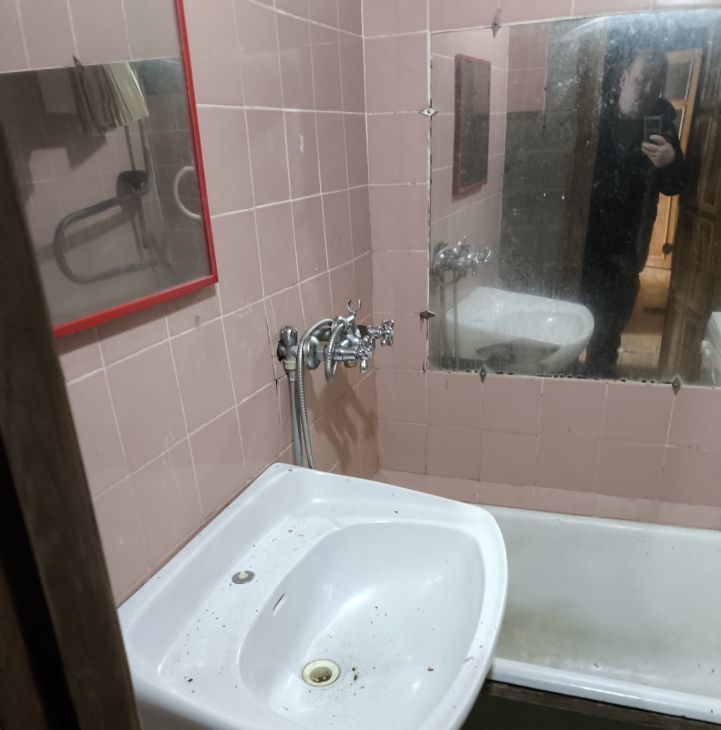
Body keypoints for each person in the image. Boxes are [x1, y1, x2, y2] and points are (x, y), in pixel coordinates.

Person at [581, 48, 686, 377]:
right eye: (642, 80)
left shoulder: (662, 125)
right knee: (569, 323)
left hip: (626, 249)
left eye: (655, 84)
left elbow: (675, 186)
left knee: (608, 335)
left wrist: (671, 162)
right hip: (581, 242)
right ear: (624, 78)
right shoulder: (594, 114)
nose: (647, 89)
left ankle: (599, 382)